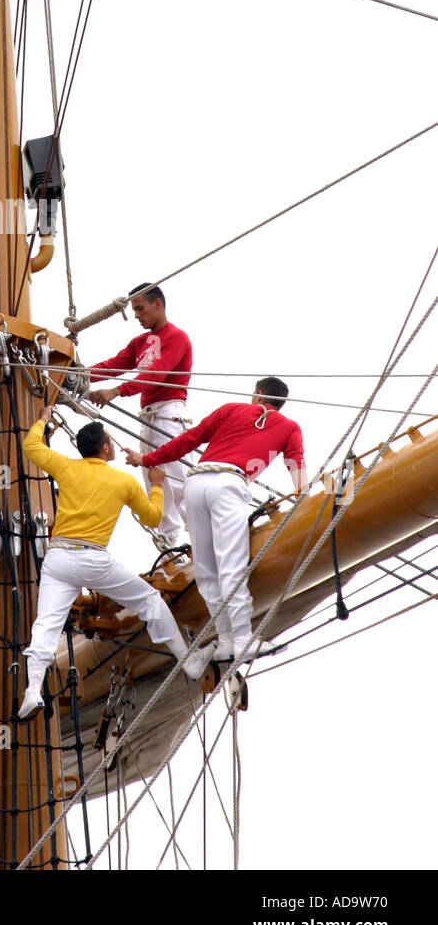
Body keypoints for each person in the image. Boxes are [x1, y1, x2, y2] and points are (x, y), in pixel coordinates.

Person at [19, 402, 197, 721]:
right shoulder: (123, 482)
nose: (113, 445)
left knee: (45, 625)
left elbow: (31, 446)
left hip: (58, 558)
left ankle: (32, 691)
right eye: (111, 442)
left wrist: (43, 421)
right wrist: (157, 485)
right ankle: (189, 661)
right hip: (92, 559)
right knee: (150, 601)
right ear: (105, 448)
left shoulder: (66, 466)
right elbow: (155, 517)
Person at [125, 377, 307, 670]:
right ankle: (244, 637)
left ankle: (225, 641)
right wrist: (304, 497)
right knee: (231, 564)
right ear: (279, 402)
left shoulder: (231, 409)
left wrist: (148, 459)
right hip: (229, 483)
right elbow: (295, 465)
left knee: (206, 569)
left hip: (196, 482)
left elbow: (188, 440)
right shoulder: (289, 427)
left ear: (257, 394)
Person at [88, 283, 194, 551]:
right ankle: (170, 553)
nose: (136, 315)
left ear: (158, 304)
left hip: (169, 415)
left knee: (183, 486)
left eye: (140, 308)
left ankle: (205, 545)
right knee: (157, 488)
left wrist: (117, 391)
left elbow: (156, 374)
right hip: (147, 419)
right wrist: (77, 375)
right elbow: (113, 365)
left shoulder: (177, 337)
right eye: (134, 309)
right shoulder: (139, 343)